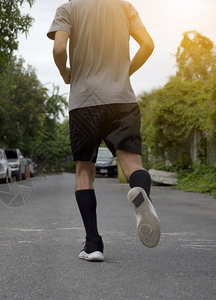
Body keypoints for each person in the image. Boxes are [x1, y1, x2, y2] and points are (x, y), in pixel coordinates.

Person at [47, 0, 161, 262]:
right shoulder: (125, 7)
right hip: (122, 99)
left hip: (84, 102)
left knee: (84, 172)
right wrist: (124, 73)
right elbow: (148, 45)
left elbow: (59, 47)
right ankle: (143, 198)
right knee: (132, 164)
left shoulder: (68, 8)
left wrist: (64, 72)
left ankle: (93, 244)